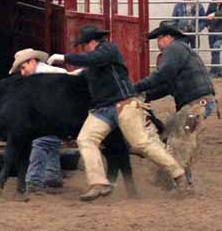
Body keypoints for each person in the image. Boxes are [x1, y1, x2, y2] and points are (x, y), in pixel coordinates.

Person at [47, 25, 188, 202]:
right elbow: (85, 68)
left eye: (84, 45)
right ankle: (98, 182)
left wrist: (63, 57)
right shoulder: (96, 62)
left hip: (124, 105)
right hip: (105, 109)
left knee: (141, 143)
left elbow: (92, 59)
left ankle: (178, 174)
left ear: (91, 42)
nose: (84, 48)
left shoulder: (108, 49)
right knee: (86, 139)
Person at [134, 21, 216, 188]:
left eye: (159, 38)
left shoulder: (173, 49)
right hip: (199, 103)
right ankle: (180, 181)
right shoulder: (182, 50)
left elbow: (164, 74)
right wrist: (146, 95)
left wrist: (137, 87)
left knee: (179, 142)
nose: (158, 43)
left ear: (168, 37)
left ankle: (180, 183)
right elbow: (168, 85)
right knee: (173, 136)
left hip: (196, 105)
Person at [9, 48, 66, 194]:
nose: (22, 72)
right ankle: (52, 177)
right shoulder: (51, 73)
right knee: (50, 142)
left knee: (39, 142)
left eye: (23, 67)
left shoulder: (43, 75)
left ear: (32, 61)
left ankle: (34, 181)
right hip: (59, 115)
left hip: (54, 115)